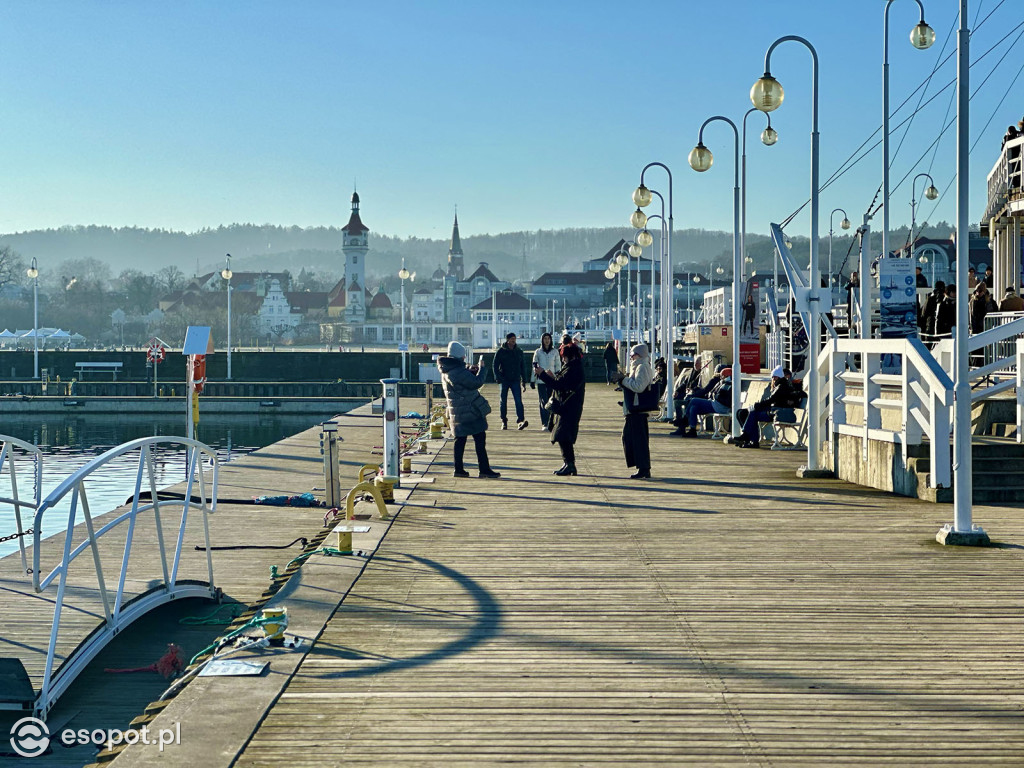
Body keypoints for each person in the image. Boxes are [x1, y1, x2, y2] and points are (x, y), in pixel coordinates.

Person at [437, 341, 500, 479]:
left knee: (460, 440)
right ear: (459, 356)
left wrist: (470, 372)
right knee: (479, 437)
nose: (464, 358)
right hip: (469, 410)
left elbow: (463, 381)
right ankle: (484, 469)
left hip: (457, 411)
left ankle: (458, 469)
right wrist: (482, 369)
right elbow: (476, 383)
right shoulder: (457, 371)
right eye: (463, 356)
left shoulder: (447, 369)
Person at [535, 341, 586, 476]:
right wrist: (552, 376)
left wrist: (543, 375)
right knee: (562, 435)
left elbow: (560, 385)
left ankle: (570, 464)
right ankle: (568, 463)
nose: (563, 359)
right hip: (567, 407)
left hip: (570, 407)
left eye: (564, 356)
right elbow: (562, 382)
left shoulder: (573, 369)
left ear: (569, 356)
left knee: (563, 435)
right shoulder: (572, 367)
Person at [612, 343, 654, 479]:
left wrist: (623, 380)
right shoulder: (638, 367)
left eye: (633, 355)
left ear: (640, 355)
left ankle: (644, 468)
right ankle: (641, 466)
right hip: (634, 409)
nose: (630, 357)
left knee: (638, 440)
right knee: (630, 438)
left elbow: (639, 387)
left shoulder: (642, 367)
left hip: (638, 410)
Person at [735, 366, 796, 449]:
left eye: (774, 377)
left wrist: (757, 405)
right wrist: (757, 406)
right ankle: (749, 438)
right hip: (776, 411)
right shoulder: (781, 385)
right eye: (773, 377)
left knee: (753, 414)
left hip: (778, 413)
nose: (773, 379)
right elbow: (772, 401)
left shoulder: (781, 387)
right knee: (743, 412)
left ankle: (748, 436)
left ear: (779, 377)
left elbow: (771, 400)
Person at [679, 367, 732, 437]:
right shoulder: (724, 383)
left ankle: (685, 419)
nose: (721, 377)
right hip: (716, 404)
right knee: (693, 408)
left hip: (720, 406)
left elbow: (720, 397)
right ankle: (692, 430)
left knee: (693, 400)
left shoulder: (728, 384)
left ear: (726, 376)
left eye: (722, 375)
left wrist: (714, 395)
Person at [493, 332, 529, 430]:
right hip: (504, 379)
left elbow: (523, 366)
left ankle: (520, 420)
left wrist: (524, 380)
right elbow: (495, 365)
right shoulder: (501, 351)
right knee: (503, 401)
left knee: (518, 401)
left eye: (515, 338)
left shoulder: (519, 351)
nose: (514, 340)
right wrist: (498, 377)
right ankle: (504, 420)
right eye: (512, 339)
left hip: (515, 379)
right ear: (507, 340)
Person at [531, 333, 559, 431]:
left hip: (552, 380)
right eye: (545, 339)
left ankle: (552, 422)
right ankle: (544, 423)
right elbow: (534, 366)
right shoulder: (538, 352)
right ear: (542, 340)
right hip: (541, 381)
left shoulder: (555, 352)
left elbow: (558, 366)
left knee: (552, 402)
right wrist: (532, 380)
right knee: (543, 401)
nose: (547, 340)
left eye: (548, 338)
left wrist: (557, 378)